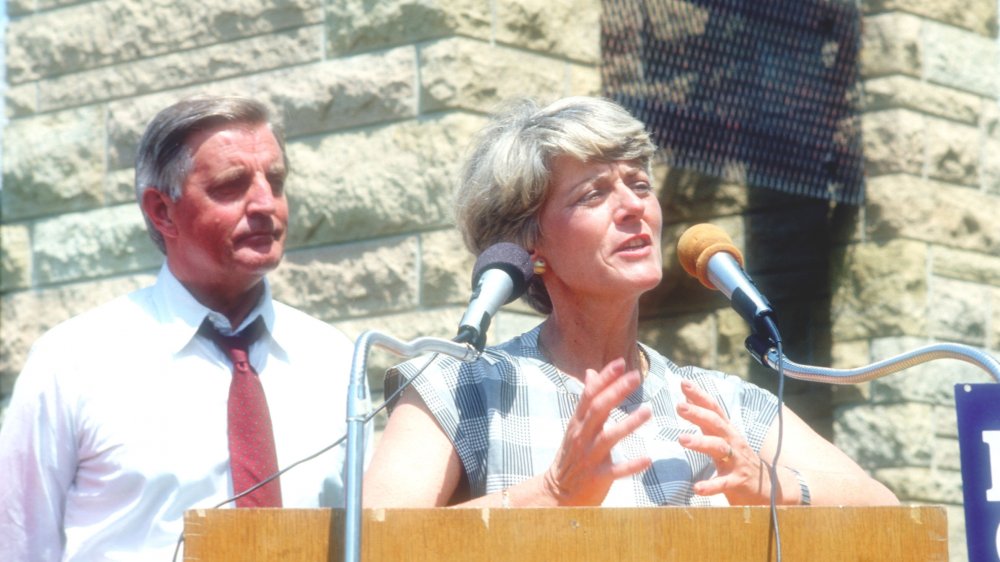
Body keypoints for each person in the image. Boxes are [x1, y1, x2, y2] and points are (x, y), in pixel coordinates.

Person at [363, 96, 898, 509]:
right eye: (593, 194)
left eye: (640, 184)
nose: (632, 207)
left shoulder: (720, 402)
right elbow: (373, 542)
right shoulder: (455, 387)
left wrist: (772, 484)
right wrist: (550, 493)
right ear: (529, 247)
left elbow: (887, 510)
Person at [0, 95, 371, 561]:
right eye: (232, 185)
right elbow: (18, 544)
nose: (264, 203)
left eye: (275, 181)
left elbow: (367, 536)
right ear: (161, 211)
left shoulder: (333, 359)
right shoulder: (73, 362)